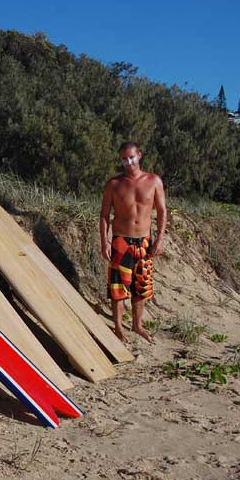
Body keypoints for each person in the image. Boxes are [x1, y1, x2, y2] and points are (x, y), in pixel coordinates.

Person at [99, 141, 167, 343]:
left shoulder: (153, 181)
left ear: (139, 155)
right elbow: (104, 215)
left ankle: (138, 325)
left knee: (141, 286)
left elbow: (162, 211)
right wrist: (105, 242)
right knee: (118, 287)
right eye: (124, 159)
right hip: (121, 241)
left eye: (131, 157)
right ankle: (118, 327)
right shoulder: (114, 184)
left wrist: (159, 239)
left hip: (144, 241)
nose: (128, 162)